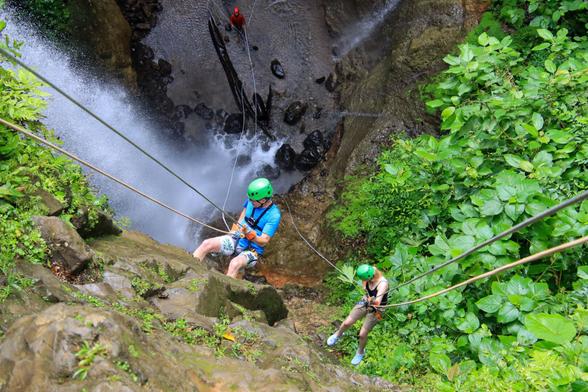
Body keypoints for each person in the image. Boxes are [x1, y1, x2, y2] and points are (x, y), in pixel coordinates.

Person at [192, 178, 281, 279]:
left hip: (252, 251)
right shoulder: (251, 201)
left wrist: (250, 233)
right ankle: (189, 270)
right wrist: (235, 230)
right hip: (236, 239)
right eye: (250, 199)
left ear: (263, 200)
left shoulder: (274, 215)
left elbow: (264, 241)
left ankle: (225, 291)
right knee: (206, 244)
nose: (250, 202)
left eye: (253, 201)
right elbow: (243, 215)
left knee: (235, 263)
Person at [326, 264, 388, 365]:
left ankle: (360, 352)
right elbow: (364, 284)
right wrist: (365, 289)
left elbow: (377, 302)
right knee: (346, 323)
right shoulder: (367, 273)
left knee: (362, 334)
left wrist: (370, 300)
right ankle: (338, 334)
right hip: (365, 301)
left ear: (372, 276)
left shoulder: (382, 283)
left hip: (376, 308)